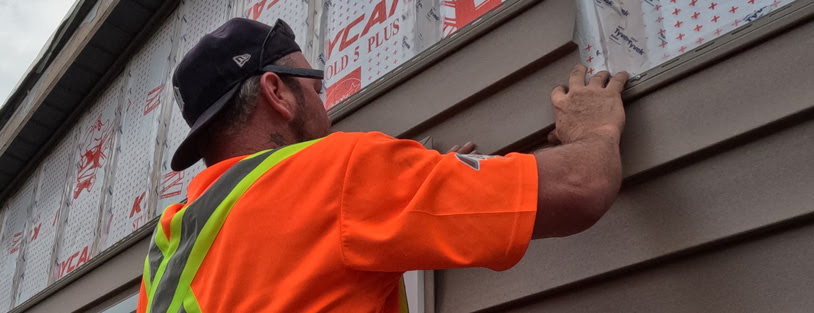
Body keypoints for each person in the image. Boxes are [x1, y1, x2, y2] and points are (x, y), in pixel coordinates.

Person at [137, 18, 628, 313]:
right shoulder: (337, 173)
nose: (324, 104)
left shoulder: (167, 252)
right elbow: (582, 185)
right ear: (276, 92)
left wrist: (420, 193)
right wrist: (596, 129)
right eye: (314, 85)